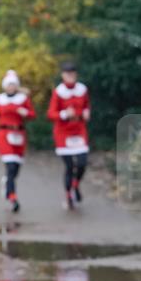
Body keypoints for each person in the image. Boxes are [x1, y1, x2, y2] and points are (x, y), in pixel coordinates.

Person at [0, 69, 35, 213]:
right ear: (5, 86)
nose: (11, 87)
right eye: (9, 85)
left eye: (13, 84)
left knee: (16, 168)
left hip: (19, 134)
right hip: (4, 134)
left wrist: (25, 113)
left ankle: (8, 183)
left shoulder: (23, 99)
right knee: (10, 166)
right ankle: (13, 197)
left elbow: (32, 114)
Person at [46, 61, 90, 210]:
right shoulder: (58, 92)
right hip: (63, 132)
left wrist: (86, 112)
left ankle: (75, 185)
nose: (70, 76)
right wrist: (65, 114)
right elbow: (51, 114)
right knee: (70, 166)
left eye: (72, 73)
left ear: (75, 74)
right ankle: (68, 195)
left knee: (83, 163)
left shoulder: (82, 90)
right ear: (63, 75)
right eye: (67, 73)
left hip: (79, 130)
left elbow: (86, 105)